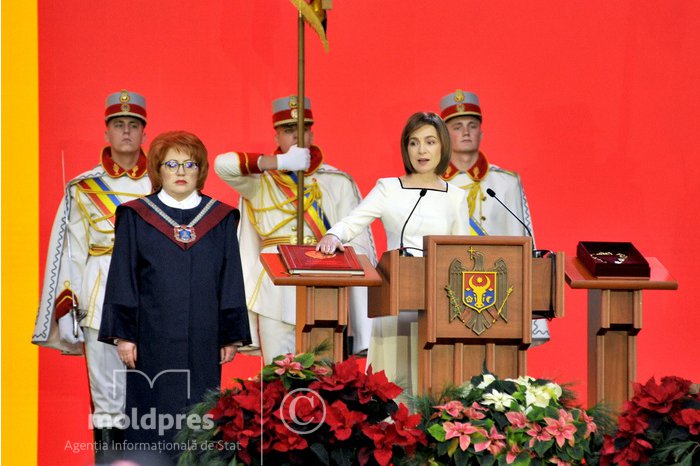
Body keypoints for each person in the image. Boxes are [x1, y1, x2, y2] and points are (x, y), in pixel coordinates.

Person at [98, 131, 251, 455]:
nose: (181, 172)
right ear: (158, 170)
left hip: (204, 339)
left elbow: (230, 279)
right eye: (171, 164)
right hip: (150, 340)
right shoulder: (136, 217)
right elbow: (123, 277)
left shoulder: (220, 218)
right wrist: (124, 335)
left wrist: (230, 334)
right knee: (151, 418)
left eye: (189, 164)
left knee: (200, 414)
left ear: (200, 170)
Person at [31, 89, 151, 460]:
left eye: (134, 125)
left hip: (155, 299)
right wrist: (67, 307)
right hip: (101, 302)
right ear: (106, 132)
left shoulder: (162, 183)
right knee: (107, 399)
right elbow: (70, 252)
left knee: (157, 397)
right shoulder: (83, 187)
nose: (126, 132)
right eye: (119, 125)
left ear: (145, 133)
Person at [316, 111, 470, 394]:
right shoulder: (389, 188)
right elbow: (355, 220)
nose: (422, 150)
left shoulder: (456, 196)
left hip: (440, 300)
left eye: (430, 142)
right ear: (406, 148)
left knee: (434, 383)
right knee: (395, 383)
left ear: (443, 146)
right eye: (414, 143)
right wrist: (334, 233)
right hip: (396, 297)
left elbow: (462, 250)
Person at [215, 95, 376, 362]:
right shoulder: (260, 181)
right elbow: (223, 165)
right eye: (289, 130)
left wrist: (358, 307)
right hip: (273, 289)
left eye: (303, 129)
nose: (297, 136)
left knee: (327, 376)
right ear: (277, 137)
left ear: (312, 134)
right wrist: (279, 164)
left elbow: (358, 246)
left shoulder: (337, 181)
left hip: (325, 286)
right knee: (277, 375)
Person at [438, 89, 549, 343]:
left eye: (472, 125)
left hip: (498, 297)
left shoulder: (506, 182)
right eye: (457, 126)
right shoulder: (431, 184)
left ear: (481, 132)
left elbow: (523, 240)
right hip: (446, 295)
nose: (466, 132)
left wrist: (532, 314)